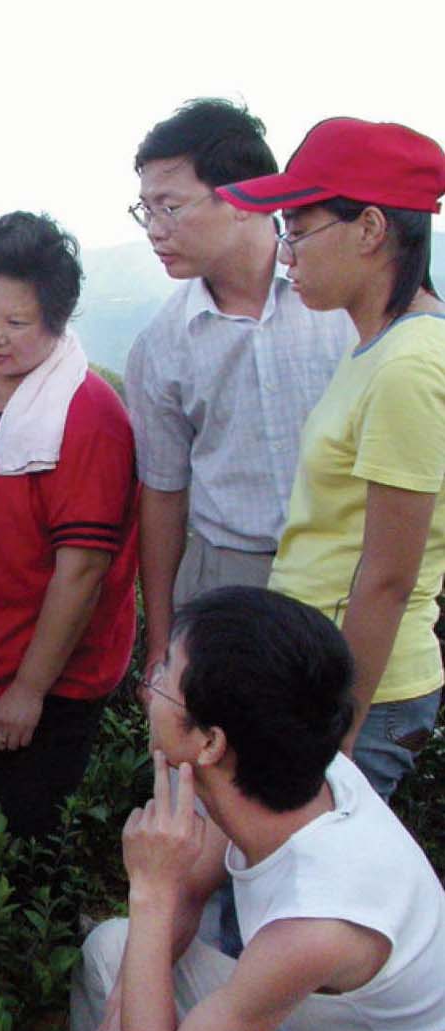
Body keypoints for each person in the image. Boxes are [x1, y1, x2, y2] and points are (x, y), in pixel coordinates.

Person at [71, 586, 445, 1031]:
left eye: (164, 677)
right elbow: (194, 888)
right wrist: (123, 1010)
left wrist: (150, 889)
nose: (149, 688)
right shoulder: (283, 765)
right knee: (110, 950)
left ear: (210, 743)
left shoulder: (316, 920)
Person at [218, 117, 445, 802]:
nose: (286, 255)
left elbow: (387, 576)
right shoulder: (377, 348)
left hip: (359, 690)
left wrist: (338, 733)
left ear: (371, 229)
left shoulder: (408, 365)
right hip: (320, 673)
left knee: (305, 895)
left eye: (298, 227)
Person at [0, 212, 138, 838]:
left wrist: (29, 691)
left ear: (57, 320)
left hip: (38, 685)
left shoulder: (87, 413)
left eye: (17, 322)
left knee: (22, 853)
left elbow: (84, 568)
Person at [125, 99, 355, 690]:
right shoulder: (162, 345)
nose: (155, 229)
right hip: (228, 580)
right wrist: (161, 646)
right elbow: (163, 495)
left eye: (170, 207)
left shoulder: (343, 308)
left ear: (244, 197)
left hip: (352, 571)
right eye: (145, 209)